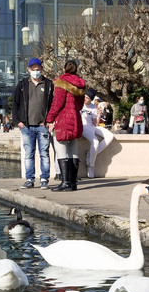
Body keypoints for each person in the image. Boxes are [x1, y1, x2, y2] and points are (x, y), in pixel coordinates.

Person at [12, 57, 54, 189]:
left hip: (43, 126)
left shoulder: (48, 84)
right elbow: (15, 103)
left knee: (44, 154)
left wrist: (50, 120)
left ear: (42, 69)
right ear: (28, 69)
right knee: (29, 154)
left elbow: (53, 104)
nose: (35, 71)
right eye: (33, 69)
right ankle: (29, 179)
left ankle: (44, 179)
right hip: (26, 126)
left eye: (38, 69)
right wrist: (17, 121)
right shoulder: (23, 84)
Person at [46, 60, 86, 191]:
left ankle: (65, 182)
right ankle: (73, 183)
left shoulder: (61, 82)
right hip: (75, 118)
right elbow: (80, 105)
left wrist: (50, 118)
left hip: (63, 118)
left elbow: (57, 103)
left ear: (64, 69)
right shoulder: (80, 83)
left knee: (61, 148)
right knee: (73, 148)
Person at [80, 91, 116, 178]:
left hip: (92, 126)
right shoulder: (79, 104)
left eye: (88, 98)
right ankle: (91, 166)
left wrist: (99, 113)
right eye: (84, 96)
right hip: (83, 127)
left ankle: (91, 154)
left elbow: (95, 123)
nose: (85, 99)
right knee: (95, 142)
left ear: (91, 100)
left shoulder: (93, 107)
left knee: (110, 136)